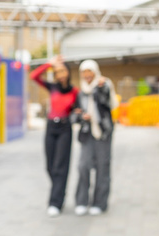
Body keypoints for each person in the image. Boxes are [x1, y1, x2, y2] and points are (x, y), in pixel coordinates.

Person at [30, 55, 78, 218]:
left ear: (68, 72)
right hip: (51, 127)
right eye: (57, 72)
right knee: (50, 166)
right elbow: (33, 76)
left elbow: (79, 109)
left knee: (60, 166)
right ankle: (60, 192)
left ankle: (55, 202)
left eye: (63, 70)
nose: (61, 74)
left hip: (65, 127)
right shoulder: (52, 88)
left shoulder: (74, 91)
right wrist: (49, 64)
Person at [73, 60, 118, 216]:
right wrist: (81, 116)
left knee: (102, 167)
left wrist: (102, 89)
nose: (87, 75)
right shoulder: (81, 92)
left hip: (103, 133)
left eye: (89, 71)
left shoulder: (104, 85)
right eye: (84, 72)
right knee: (83, 166)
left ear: (95, 71)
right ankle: (81, 201)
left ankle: (100, 203)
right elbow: (76, 112)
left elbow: (111, 105)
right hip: (87, 133)